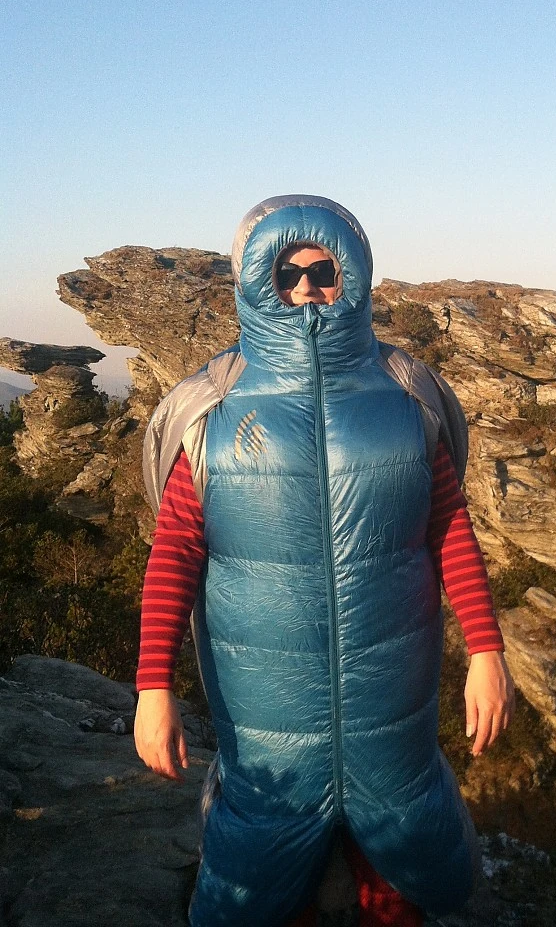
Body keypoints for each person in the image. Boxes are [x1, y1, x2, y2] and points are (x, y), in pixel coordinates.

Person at [133, 195, 514, 926]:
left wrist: (486, 651)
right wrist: (154, 687)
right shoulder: (211, 408)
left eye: (323, 270)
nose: (306, 287)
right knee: (266, 880)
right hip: (263, 704)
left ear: (354, 277)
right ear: (256, 281)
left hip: (392, 694)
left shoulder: (405, 392)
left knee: (400, 871)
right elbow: (175, 550)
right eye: (286, 273)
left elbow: (447, 527)